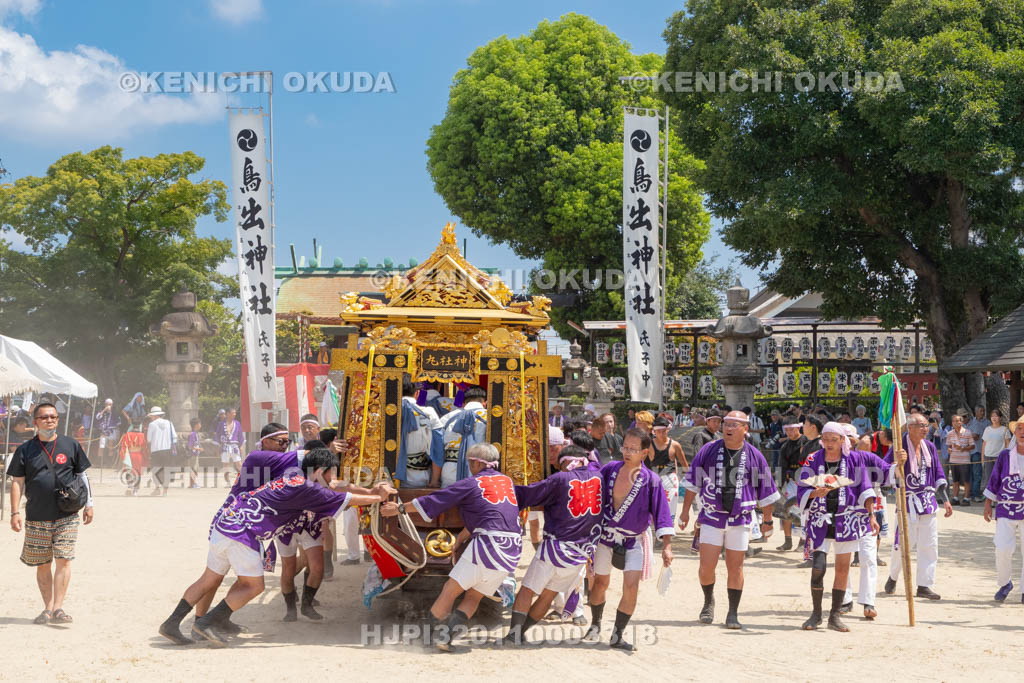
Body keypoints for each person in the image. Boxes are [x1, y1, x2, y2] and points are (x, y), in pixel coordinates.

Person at [158, 448, 396, 647]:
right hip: (243, 531)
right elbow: (345, 497)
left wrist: (373, 491)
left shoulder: (293, 475)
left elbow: (338, 488)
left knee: (209, 579)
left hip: (226, 523)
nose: (333, 480)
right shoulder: (307, 489)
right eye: (331, 474)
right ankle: (206, 622)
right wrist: (379, 497)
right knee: (254, 586)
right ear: (320, 472)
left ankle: (172, 623)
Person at [410, 443, 522, 652]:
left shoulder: (473, 483)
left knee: (449, 591)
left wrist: (399, 508)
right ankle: (447, 637)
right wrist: (460, 539)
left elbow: (436, 499)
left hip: (488, 545)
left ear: (477, 463)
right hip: (512, 549)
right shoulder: (507, 482)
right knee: (474, 596)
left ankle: (425, 636)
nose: (469, 467)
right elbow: (490, 516)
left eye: (470, 463)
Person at [680, 411, 778, 630]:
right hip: (712, 516)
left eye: (735, 425)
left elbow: (767, 490)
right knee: (706, 566)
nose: (728, 428)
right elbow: (693, 481)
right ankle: (708, 601)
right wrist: (685, 511)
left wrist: (768, 520)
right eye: (726, 424)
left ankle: (733, 612)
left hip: (740, 518)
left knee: (736, 567)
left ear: (745, 429)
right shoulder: (708, 450)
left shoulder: (755, 455)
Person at [505, 445, 603, 645]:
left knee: (528, 590)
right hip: (581, 553)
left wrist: (502, 488)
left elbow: (529, 494)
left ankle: (514, 634)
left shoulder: (560, 479)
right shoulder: (600, 479)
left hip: (555, 548)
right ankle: (521, 632)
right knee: (548, 595)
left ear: (567, 462)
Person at [6, 402, 94, 625]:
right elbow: (17, 482)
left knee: (64, 560)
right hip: (36, 515)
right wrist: (14, 512)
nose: (50, 420)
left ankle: (58, 608)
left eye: (53, 417)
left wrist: (89, 504)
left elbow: (82, 476)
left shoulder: (70, 445)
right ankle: (46, 607)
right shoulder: (25, 450)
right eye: (44, 417)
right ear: (35, 422)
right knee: (43, 563)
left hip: (67, 514)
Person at [587, 428, 673, 651]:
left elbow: (662, 514)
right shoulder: (609, 470)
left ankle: (617, 634)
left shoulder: (651, 480)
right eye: (625, 447)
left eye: (633, 449)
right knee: (600, 583)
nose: (627, 452)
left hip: (633, 540)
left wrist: (667, 546)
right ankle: (595, 623)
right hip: (606, 537)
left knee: (631, 586)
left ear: (644, 453)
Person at [796, 422, 878, 632]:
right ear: (821, 440)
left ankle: (834, 615)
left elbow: (865, 489)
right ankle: (816, 614)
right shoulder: (813, 459)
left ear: (843, 440)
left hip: (847, 519)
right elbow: (802, 487)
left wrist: (871, 515)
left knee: (842, 569)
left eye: (834, 439)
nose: (830, 444)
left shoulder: (853, 459)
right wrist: (814, 493)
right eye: (826, 439)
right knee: (818, 568)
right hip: (820, 518)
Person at [883, 412, 953, 600]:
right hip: (907, 502)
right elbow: (883, 471)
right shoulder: (899, 446)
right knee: (902, 544)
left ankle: (924, 585)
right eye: (921, 425)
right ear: (910, 427)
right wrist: (897, 463)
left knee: (929, 545)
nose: (925, 429)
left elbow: (938, 472)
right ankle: (893, 576)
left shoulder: (929, 446)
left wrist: (945, 499)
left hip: (927, 501)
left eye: (926, 425)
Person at [983, 419, 1024, 602]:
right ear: (1015, 433)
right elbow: (995, 480)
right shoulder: (1005, 455)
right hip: (1006, 507)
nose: (1023, 432)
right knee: (1002, 548)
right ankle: (1005, 582)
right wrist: (987, 503)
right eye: (1020, 429)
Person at [398, 379, 444, 488]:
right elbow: (437, 448)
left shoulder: (382, 412)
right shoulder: (429, 412)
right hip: (418, 476)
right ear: (417, 393)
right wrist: (435, 480)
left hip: (388, 474)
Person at [439, 386, 488, 486]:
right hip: (479, 469)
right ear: (485, 403)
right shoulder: (489, 417)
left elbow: (437, 449)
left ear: (464, 403)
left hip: (450, 469)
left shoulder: (447, 417)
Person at [775, 419, 806, 551]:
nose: (789, 432)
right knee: (785, 509)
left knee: (805, 511)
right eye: (786, 430)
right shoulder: (785, 446)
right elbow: (781, 465)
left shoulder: (807, 442)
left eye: (791, 429)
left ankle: (803, 541)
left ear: (798, 428)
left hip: (807, 480)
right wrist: (780, 484)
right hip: (791, 481)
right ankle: (788, 541)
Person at [649, 416, 687, 520]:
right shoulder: (648, 445)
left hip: (670, 478)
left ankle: (669, 526)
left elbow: (684, 464)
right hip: (654, 478)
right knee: (654, 507)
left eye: (664, 431)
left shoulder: (675, 445)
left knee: (670, 509)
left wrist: (689, 479)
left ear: (668, 430)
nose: (661, 434)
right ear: (654, 432)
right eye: (658, 431)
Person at [146, 407, 177, 496]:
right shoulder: (169, 423)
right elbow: (174, 437)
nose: (151, 418)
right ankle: (165, 491)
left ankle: (157, 488)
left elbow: (149, 439)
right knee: (166, 470)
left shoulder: (152, 424)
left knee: (156, 470)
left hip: (156, 450)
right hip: (167, 450)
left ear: (154, 416)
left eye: (151, 416)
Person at [945, 412, 974, 505]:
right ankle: (955, 498)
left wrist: (963, 448)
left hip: (965, 460)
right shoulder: (949, 433)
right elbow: (949, 445)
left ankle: (966, 498)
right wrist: (949, 449)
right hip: (953, 460)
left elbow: (972, 446)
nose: (955, 423)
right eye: (953, 421)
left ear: (961, 422)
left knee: (966, 480)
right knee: (955, 480)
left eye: (957, 421)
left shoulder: (967, 432)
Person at [982, 410, 1011, 497]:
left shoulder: (1005, 430)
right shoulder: (987, 429)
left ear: (1000, 418)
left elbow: (1008, 446)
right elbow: (984, 444)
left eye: (996, 416)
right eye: (992, 416)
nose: (994, 418)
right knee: (988, 478)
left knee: (999, 478)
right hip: (988, 457)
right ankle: (989, 499)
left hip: (999, 458)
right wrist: (982, 458)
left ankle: (999, 497)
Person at [967, 405, 991, 503]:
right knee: (973, 474)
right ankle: (972, 494)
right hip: (971, 451)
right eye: (981, 411)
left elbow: (977, 436)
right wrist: (973, 435)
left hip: (982, 451)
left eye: (983, 411)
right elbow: (970, 435)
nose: (982, 413)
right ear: (976, 412)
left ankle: (977, 493)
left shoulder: (988, 423)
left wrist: (974, 435)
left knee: (980, 474)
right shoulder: (971, 422)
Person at [119, 422, 147, 496]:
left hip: (130, 455)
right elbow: (145, 447)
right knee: (138, 472)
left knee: (129, 471)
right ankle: (135, 490)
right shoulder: (142, 435)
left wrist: (123, 456)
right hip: (138, 455)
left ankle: (129, 486)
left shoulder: (127, 435)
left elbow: (124, 446)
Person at [218, 408, 244, 484]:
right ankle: (227, 481)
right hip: (225, 446)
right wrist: (217, 448)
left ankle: (242, 480)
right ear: (228, 414)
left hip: (234, 446)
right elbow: (217, 435)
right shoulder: (221, 424)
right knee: (225, 465)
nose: (234, 414)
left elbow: (240, 436)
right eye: (233, 413)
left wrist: (241, 446)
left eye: (235, 413)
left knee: (239, 463)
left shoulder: (237, 423)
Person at [94, 398, 121, 466]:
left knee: (110, 446)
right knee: (101, 446)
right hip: (103, 432)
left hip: (111, 432)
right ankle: (100, 463)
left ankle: (109, 463)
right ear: (105, 404)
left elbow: (118, 423)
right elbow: (97, 417)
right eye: (107, 404)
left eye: (110, 404)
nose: (109, 406)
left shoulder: (114, 412)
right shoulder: (101, 411)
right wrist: (104, 410)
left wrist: (118, 433)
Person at [187, 417, 203, 489]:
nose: (200, 425)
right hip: (193, 455)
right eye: (199, 423)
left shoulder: (195, 433)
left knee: (195, 469)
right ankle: (191, 484)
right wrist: (199, 449)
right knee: (193, 470)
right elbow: (190, 446)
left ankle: (193, 483)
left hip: (195, 454)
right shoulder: (193, 434)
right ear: (196, 425)